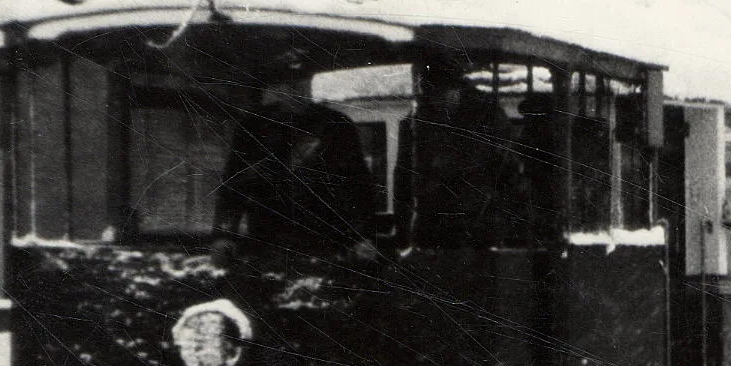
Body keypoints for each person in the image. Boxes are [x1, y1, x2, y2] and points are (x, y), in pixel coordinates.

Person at [214, 68, 381, 257]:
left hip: (325, 239)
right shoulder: (254, 126)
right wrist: (224, 236)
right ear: (277, 87)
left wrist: (363, 237)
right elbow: (233, 184)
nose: (296, 90)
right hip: (267, 237)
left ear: (311, 82)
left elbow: (358, 186)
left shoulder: (336, 125)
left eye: (302, 82)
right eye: (290, 84)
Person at [396, 63, 531, 249]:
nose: (435, 104)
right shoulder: (416, 122)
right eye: (430, 97)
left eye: (439, 96)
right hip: (434, 223)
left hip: (481, 220)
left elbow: (508, 171)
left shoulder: (488, 118)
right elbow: (405, 177)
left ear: (455, 90)